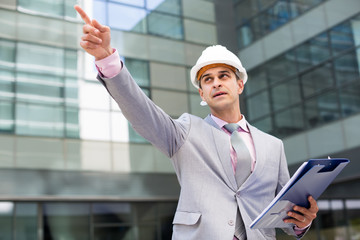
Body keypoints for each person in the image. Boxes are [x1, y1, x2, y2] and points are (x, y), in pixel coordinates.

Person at [74, 5, 318, 240]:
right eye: (208, 80)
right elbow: (141, 111)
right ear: (202, 94)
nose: (216, 83)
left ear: (240, 84)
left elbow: (287, 216)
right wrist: (107, 60)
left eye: (223, 76)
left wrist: (303, 220)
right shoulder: (185, 133)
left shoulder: (273, 146)